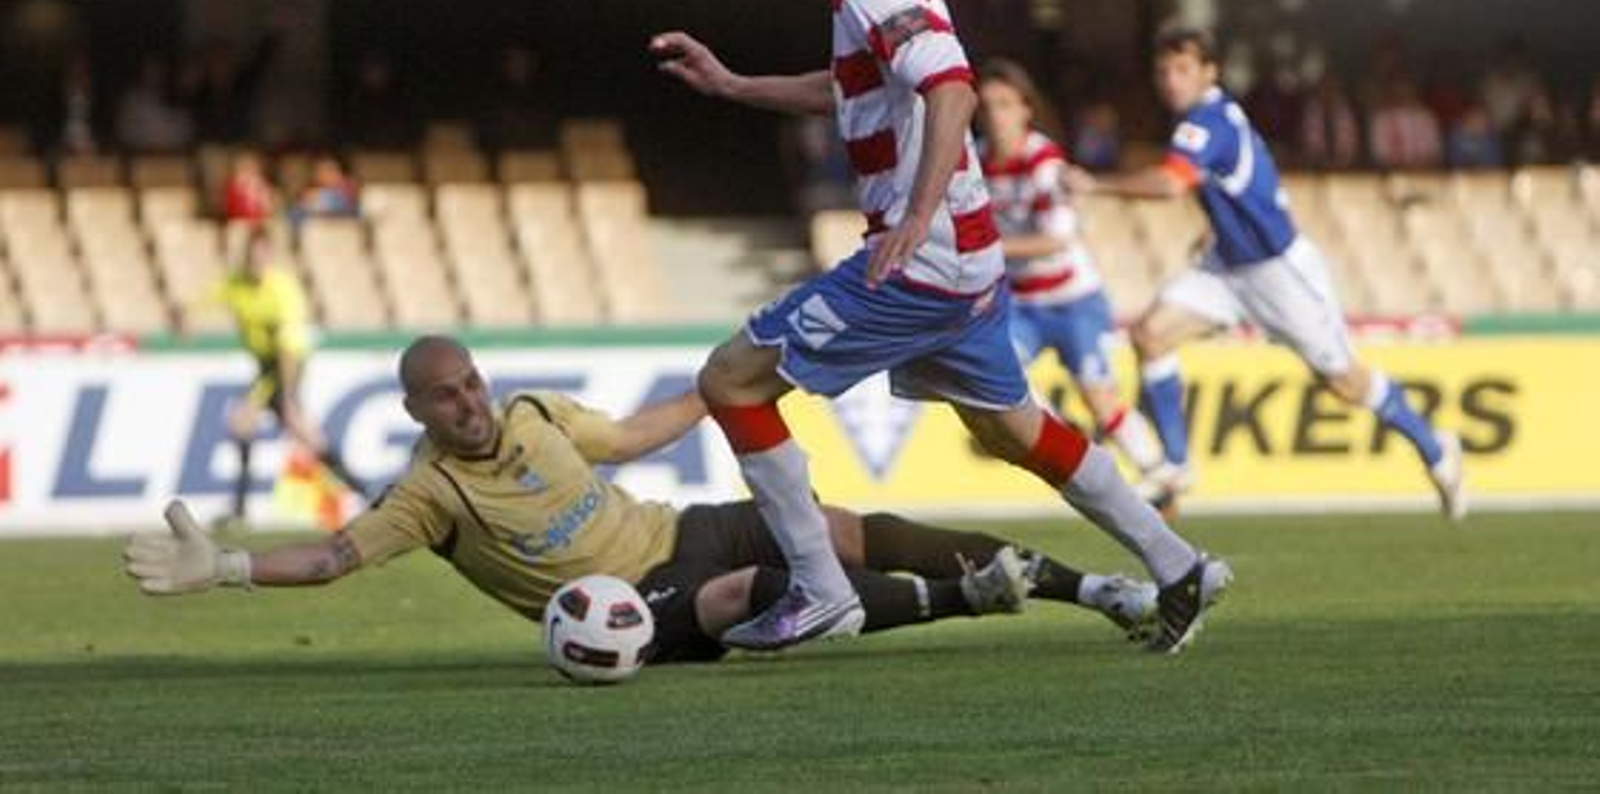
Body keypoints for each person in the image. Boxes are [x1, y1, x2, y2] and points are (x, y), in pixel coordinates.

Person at [650, 0, 1228, 654]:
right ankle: (1177, 565)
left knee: (732, 381)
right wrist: (735, 85)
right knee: (1012, 430)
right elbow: (855, 91)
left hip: (923, 262)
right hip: (968, 260)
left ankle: (819, 589)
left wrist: (917, 214)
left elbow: (950, 88)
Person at [124, 337, 1164, 664]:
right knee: (756, 588)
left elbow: (626, 436)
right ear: (416, 408)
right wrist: (223, 565)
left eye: (472, 381)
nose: (470, 400)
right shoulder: (428, 494)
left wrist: (727, 390)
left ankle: (1100, 588)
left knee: (859, 527)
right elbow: (334, 558)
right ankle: (971, 599)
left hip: (680, 528)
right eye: (446, 393)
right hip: (629, 606)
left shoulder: (534, 410)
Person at [1062, 24, 1467, 519]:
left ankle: (1436, 449)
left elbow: (1171, 185)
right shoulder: (1208, 120)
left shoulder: (1207, 122)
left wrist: (1095, 185)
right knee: (1149, 335)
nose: (1171, 79)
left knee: (1344, 383)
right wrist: (1219, 229)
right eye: (1164, 70)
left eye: (1183, 68)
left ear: (1210, 72)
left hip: (1278, 272)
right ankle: (1175, 464)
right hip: (1227, 267)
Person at [975, 59, 1177, 500]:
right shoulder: (975, 162)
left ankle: (1159, 473)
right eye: (987, 105)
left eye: (1005, 104)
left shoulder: (1045, 162)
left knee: (1099, 396)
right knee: (1002, 381)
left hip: (1073, 299)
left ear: (1027, 109)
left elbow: (1056, 240)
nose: (995, 115)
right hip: (1022, 301)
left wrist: (987, 249)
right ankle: (1075, 453)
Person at [191, 227, 365, 524]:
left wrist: (287, 397)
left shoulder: (283, 290)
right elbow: (202, 302)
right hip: (265, 365)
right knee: (299, 435)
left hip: (288, 363)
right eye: (252, 256)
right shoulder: (236, 284)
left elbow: (287, 348)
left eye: (261, 256)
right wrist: (185, 314)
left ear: (270, 257)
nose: (256, 262)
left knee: (255, 422)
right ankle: (367, 494)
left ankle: (239, 510)